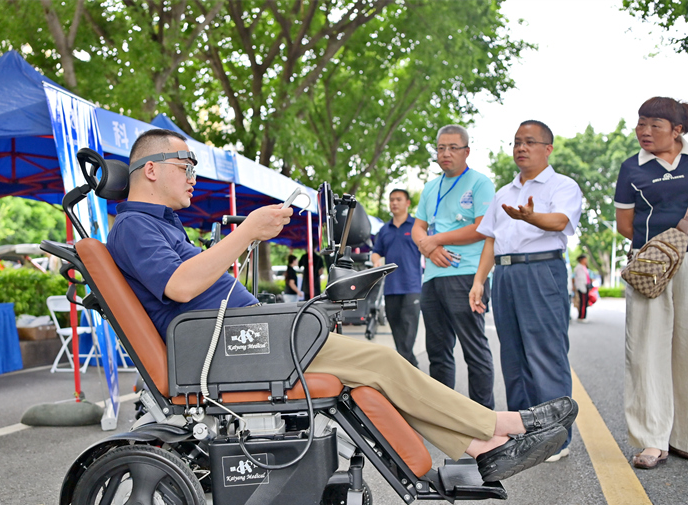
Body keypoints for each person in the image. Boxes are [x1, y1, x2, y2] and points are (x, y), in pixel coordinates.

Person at [107, 128, 577, 482]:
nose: (192, 177)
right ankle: (503, 423)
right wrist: (246, 232)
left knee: (372, 367)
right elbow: (181, 287)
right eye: (185, 167)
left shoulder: (160, 224)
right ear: (152, 169)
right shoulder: (135, 228)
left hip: (239, 334)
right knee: (377, 359)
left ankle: (480, 444)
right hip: (225, 344)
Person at [469, 120, 583, 463]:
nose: (521, 147)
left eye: (530, 142)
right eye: (517, 142)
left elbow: (560, 222)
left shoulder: (562, 185)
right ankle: (523, 431)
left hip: (541, 269)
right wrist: (479, 281)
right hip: (505, 274)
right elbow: (490, 238)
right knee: (514, 355)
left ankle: (557, 437)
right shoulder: (503, 193)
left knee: (545, 353)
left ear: (548, 148)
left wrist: (532, 218)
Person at [614, 97, 688, 470]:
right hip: (649, 264)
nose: (644, 131)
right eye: (641, 123)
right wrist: (658, 250)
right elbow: (625, 225)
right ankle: (651, 440)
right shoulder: (631, 168)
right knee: (645, 349)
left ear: (677, 130)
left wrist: (687, 247)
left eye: (654, 125)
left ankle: (687, 437)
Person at [412, 125, 496, 408]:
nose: (445, 154)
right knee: (437, 351)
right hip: (433, 277)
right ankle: (444, 415)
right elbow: (418, 228)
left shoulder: (479, 182)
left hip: (467, 275)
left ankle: (483, 418)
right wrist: (430, 246)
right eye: (441, 148)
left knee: (474, 349)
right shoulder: (430, 187)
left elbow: (483, 227)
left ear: (466, 151)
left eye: (453, 148)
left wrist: (435, 240)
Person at [371, 189, 422, 366]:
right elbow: (376, 252)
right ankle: (410, 370)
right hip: (391, 288)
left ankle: (408, 371)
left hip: (412, 288)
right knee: (398, 335)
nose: (394, 203)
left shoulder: (417, 226)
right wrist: (376, 261)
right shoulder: (384, 229)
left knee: (407, 337)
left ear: (408, 203)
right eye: (392, 200)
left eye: (398, 199)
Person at [572, 254, 591, 322]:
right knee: (583, 302)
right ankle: (582, 317)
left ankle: (582, 316)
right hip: (582, 287)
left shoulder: (584, 267)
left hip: (585, 286)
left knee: (584, 302)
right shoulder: (579, 268)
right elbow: (580, 278)